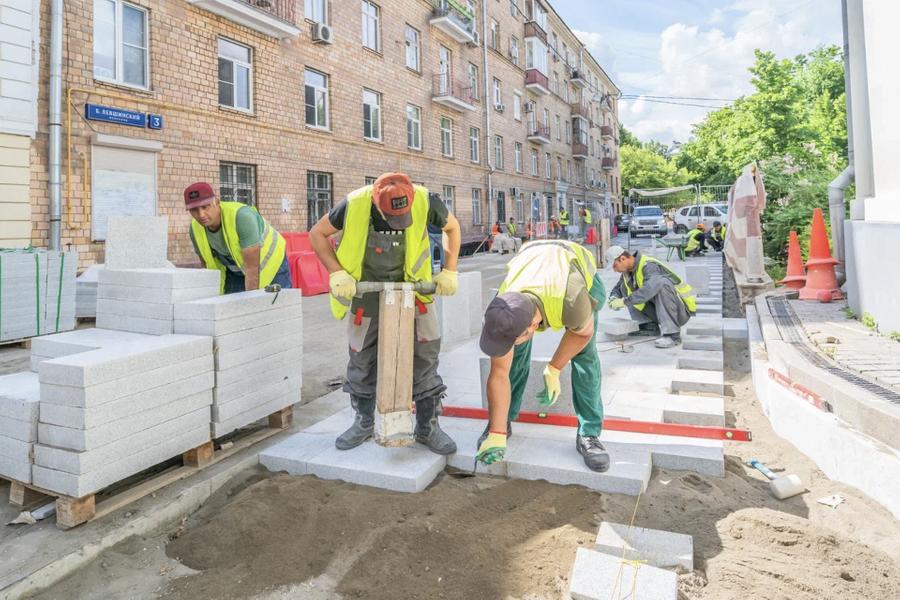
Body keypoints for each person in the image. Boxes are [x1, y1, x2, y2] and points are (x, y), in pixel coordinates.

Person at [308, 173, 461, 454]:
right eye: (391, 217)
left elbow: (453, 228)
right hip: (366, 290)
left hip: (415, 289)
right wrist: (336, 272)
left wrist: (450, 270)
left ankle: (428, 426)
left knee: (426, 352)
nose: (397, 222)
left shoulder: (426, 200)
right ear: (376, 203)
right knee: (361, 356)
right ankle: (364, 422)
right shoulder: (354, 204)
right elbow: (317, 234)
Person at [475, 240, 609, 472]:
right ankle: (503, 422)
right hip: (533, 260)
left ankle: (589, 433)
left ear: (533, 326)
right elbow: (499, 373)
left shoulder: (572, 302)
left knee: (584, 356)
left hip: (574, 271)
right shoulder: (503, 304)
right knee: (514, 356)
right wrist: (496, 432)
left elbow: (582, 334)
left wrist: (554, 368)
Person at [184, 182, 291, 295]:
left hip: (270, 263)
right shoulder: (195, 229)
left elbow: (252, 269)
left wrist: (250, 301)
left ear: (217, 202)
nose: (201, 214)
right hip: (236, 269)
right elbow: (206, 264)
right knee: (232, 304)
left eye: (205, 207)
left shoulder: (242, 217)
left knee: (273, 304)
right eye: (194, 210)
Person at [605, 245, 696, 348]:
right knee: (625, 287)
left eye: (615, 266)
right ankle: (649, 326)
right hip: (661, 312)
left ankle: (672, 335)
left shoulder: (649, 265)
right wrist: (613, 298)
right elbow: (617, 288)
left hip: (680, 312)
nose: (614, 270)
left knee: (661, 285)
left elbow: (649, 289)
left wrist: (624, 302)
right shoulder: (627, 272)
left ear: (622, 259)